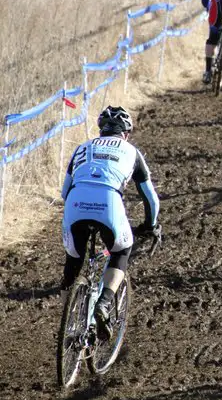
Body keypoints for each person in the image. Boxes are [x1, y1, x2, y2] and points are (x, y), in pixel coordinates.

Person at [61, 106, 160, 339]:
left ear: (101, 130)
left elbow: (64, 191)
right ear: (126, 133)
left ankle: (69, 325)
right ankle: (104, 304)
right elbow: (151, 199)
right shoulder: (132, 151)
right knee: (121, 250)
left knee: (72, 265)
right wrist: (151, 225)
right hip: (109, 204)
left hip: (75, 202)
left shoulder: (82, 148)